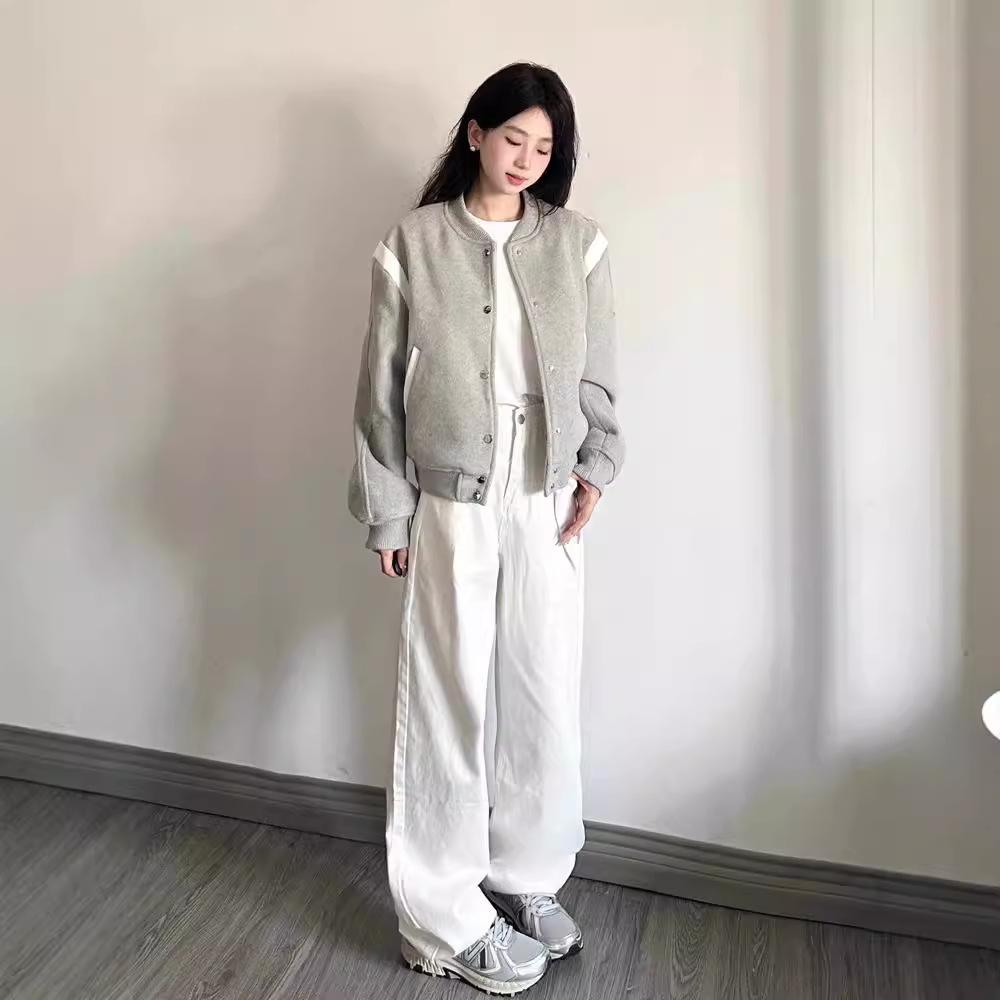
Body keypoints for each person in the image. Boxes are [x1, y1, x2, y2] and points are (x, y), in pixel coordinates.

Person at [347, 61, 625, 995]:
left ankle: (524, 876)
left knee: (543, 689)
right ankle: (439, 915)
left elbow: (599, 373)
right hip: (450, 497)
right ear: (476, 132)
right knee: (447, 695)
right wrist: (390, 509)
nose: (527, 159)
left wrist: (595, 468)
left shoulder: (580, 244)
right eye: (514, 138)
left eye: (545, 147)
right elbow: (379, 391)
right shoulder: (414, 242)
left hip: (546, 492)